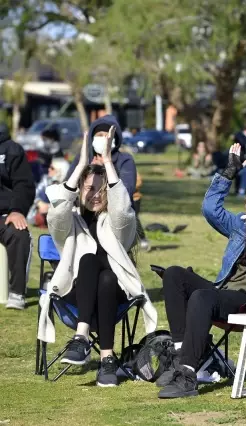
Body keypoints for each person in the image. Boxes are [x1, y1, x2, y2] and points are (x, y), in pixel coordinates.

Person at [157, 129, 246, 398]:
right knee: (175, 275)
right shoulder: (240, 226)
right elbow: (210, 209)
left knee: (201, 297)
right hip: (226, 292)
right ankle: (181, 356)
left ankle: (188, 375)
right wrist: (228, 172)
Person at [37, 128, 157, 387]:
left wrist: (108, 161)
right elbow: (55, 216)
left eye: (102, 191)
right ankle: (107, 359)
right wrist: (80, 165)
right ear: (80, 189)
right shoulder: (71, 222)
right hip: (74, 292)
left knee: (104, 276)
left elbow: (124, 210)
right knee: (89, 263)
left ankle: (85, 342)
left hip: (114, 293)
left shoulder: (116, 224)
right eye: (89, 188)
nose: (95, 195)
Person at [0, 123, 36, 310]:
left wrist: (16, 210)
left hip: (5, 215)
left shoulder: (12, 150)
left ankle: (17, 292)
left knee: (19, 234)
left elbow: (24, 185)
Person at [66, 115, 137, 202]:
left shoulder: (125, 160)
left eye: (108, 136)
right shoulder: (83, 158)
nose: (104, 139)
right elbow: (66, 190)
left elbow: (126, 193)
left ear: (115, 139)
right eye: (100, 135)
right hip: (83, 210)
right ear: (92, 138)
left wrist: (103, 170)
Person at [27, 157, 70, 227]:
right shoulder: (46, 179)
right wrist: (39, 202)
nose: (49, 169)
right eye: (49, 167)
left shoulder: (67, 186)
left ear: (61, 171)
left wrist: (49, 207)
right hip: (38, 212)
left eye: (52, 168)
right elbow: (34, 193)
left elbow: (65, 201)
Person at [133, 173, 150, 251]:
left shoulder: (130, 167)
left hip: (135, 198)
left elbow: (139, 182)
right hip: (120, 199)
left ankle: (143, 239)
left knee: (135, 218)